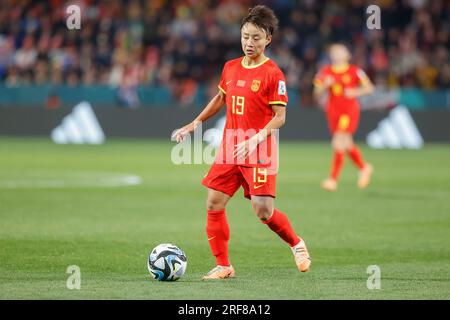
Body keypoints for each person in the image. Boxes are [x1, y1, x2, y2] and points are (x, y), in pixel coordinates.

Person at [173, 5, 311, 280]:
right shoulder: (231, 67)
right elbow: (221, 98)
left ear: (268, 39)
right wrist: (195, 123)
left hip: (259, 148)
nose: (250, 42)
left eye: (256, 38)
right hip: (231, 146)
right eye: (245, 36)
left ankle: (297, 243)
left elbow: (280, 117)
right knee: (213, 202)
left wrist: (257, 138)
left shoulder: (273, 74)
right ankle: (224, 265)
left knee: (263, 211)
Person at [313, 43, 375, 191]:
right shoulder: (325, 72)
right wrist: (324, 86)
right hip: (333, 111)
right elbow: (316, 93)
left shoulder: (355, 71)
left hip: (349, 110)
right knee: (346, 143)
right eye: (334, 52)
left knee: (338, 141)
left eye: (341, 52)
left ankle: (333, 179)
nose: (337, 54)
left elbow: (369, 88)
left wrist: (355, 92)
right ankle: (364, 167)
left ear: (347, 55)